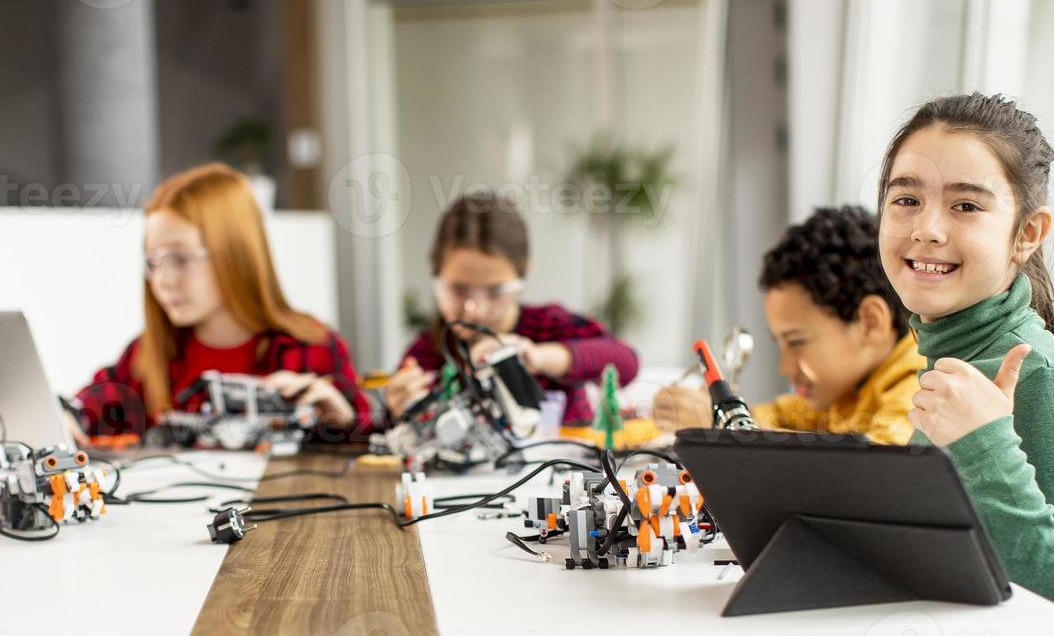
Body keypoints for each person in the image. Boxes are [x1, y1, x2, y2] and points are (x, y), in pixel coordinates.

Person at [880, 92, 1054, 630]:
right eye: (905, 200)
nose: (927, 228)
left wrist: (986, 449)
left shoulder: (1051, 388)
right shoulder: (949, 357)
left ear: (1028, 234)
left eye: (965, 206)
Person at [72, 163, 371, 441]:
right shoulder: (146, 356)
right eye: (153, 261)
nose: (163, 281)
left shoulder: (314, 350)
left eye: (180, 258)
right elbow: (84, 409)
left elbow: (372, 448)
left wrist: (341, 422)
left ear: (234, 253)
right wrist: (67, 419)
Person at [654, 205, 923, 445]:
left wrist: (724, 430)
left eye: (796, 342)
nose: (785, 367)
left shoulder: (920, 388)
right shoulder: (844, 390)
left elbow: (878, 474)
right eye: (780, 343)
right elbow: (779, 415)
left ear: (869, 323)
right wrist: (731, 412)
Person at [383, 190, 639, 425]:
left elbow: (625, 363)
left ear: (522, 276)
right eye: (459, 290)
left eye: (495, 292)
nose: (475, 311)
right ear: (436, 275)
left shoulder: (550, 325)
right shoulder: (426, 354)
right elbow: (385, 430)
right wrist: (395, 411)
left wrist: (537, 357)